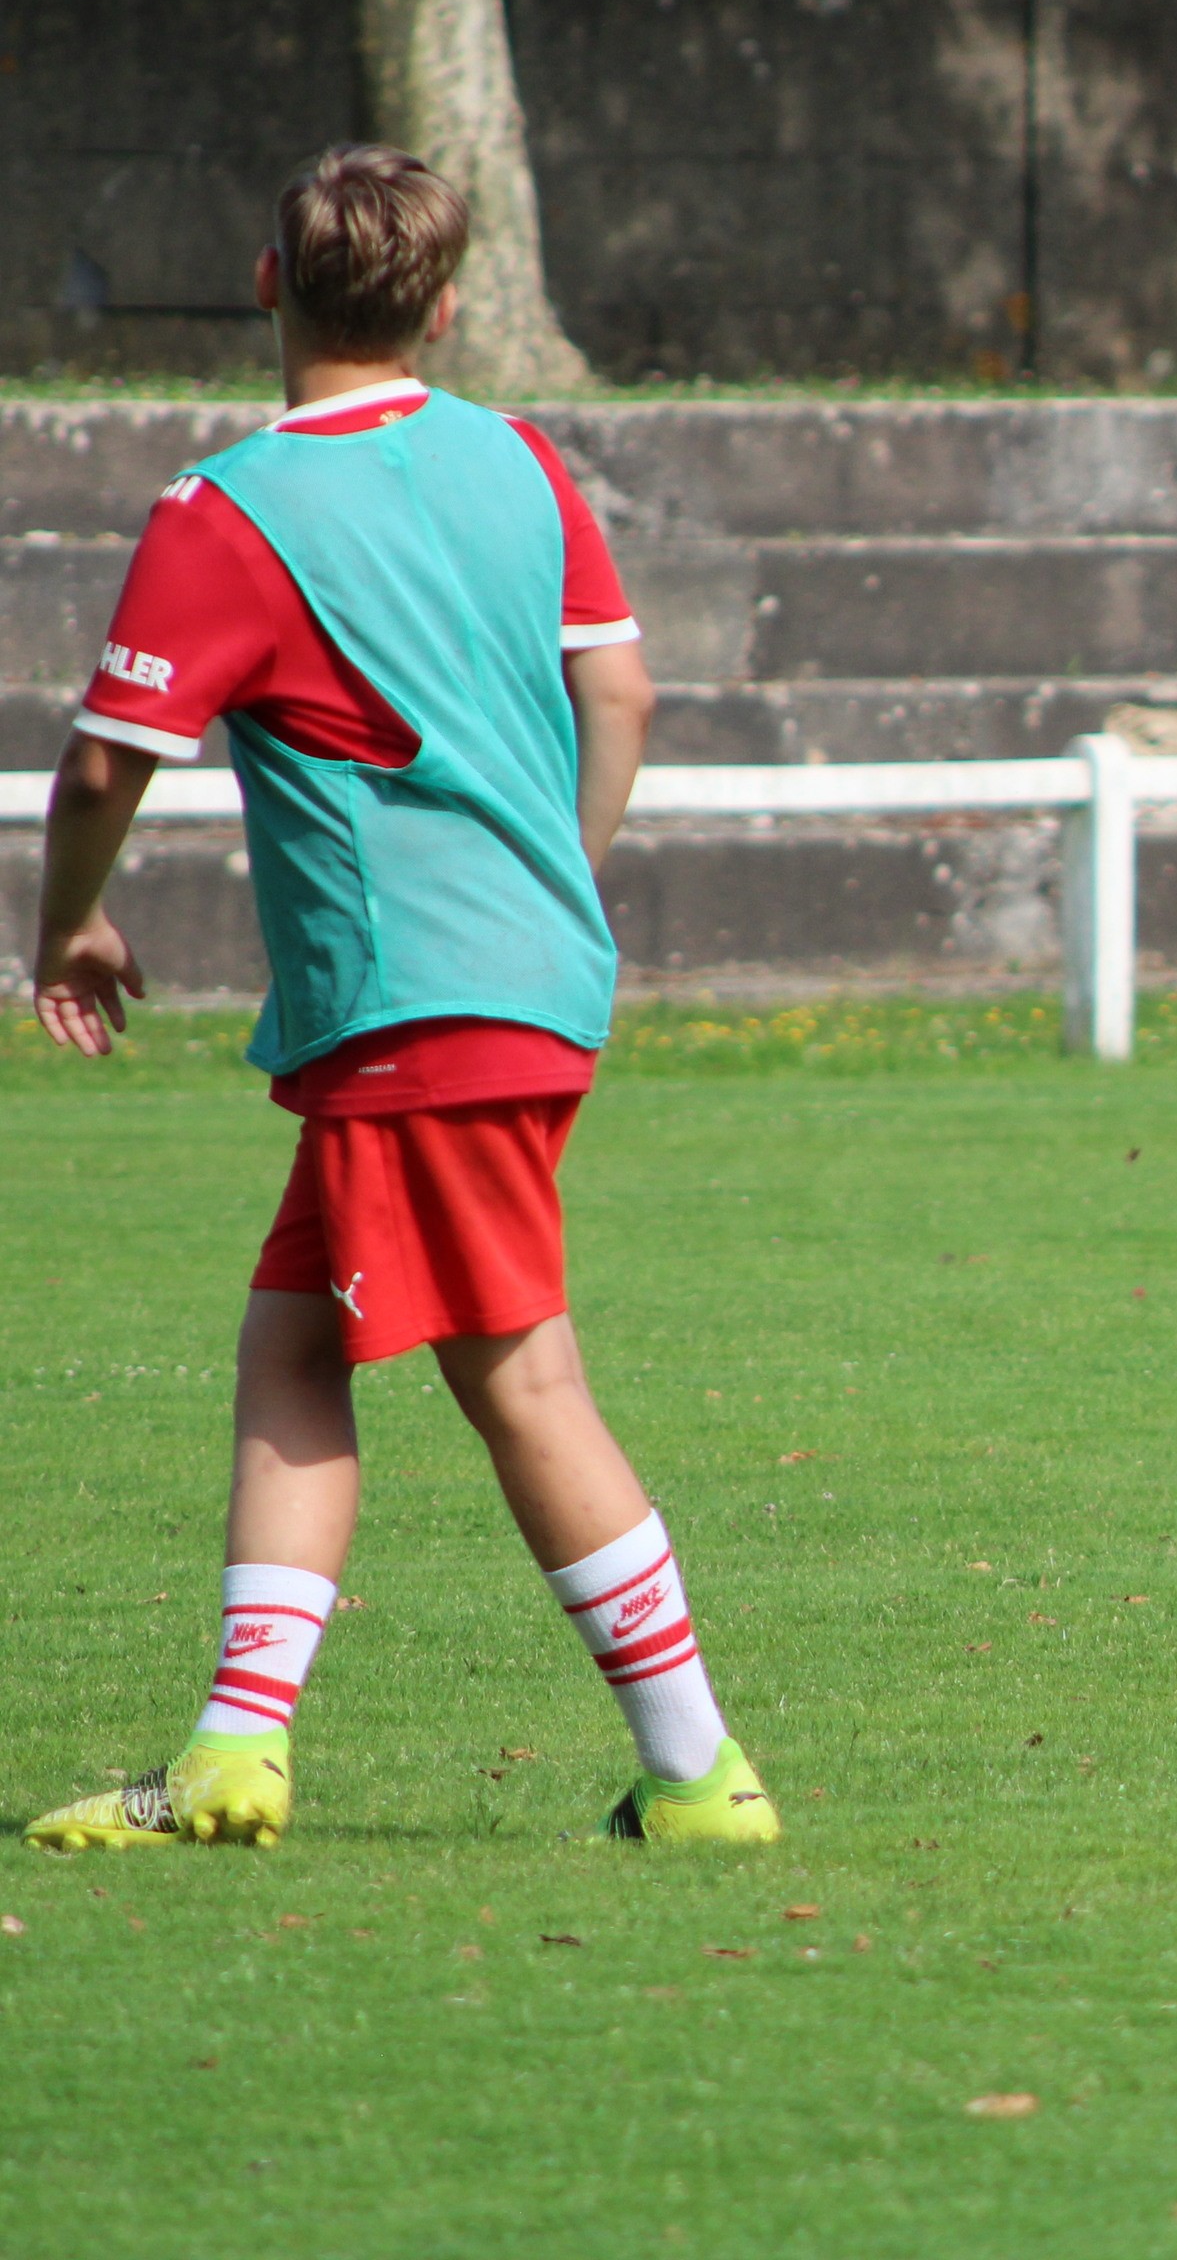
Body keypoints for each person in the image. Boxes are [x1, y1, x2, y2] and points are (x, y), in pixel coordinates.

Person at [22, 145, 777, 1853]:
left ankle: (699, 1767)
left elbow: (94, 771)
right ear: (444, 304)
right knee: (295, 1339)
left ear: (268, 281)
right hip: (520, 985)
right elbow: (628, 695)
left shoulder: (229, 511)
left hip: (407, 1008)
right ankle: (233, 1745)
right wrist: (554, 891)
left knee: (521, 1376)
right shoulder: (518, 458)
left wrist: (66, 930)